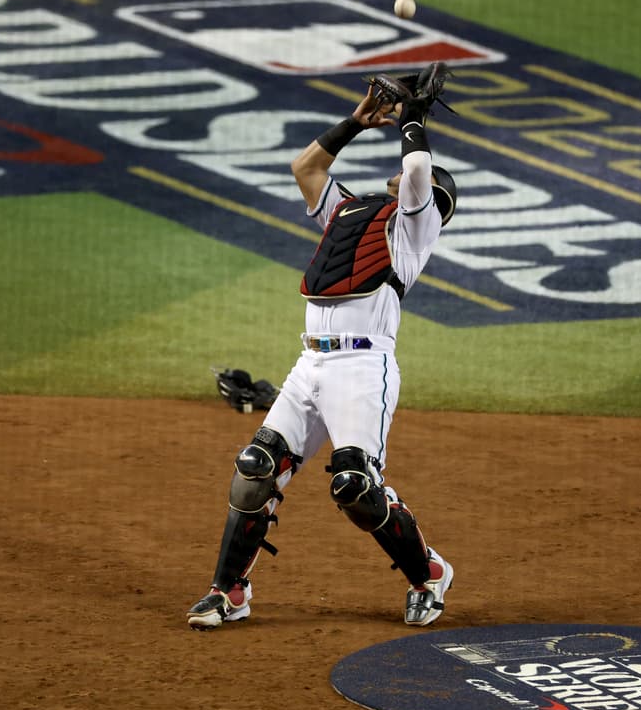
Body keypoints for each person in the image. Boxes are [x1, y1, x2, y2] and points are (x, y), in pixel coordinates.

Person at [187, 62, 459, 631]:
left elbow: (414, 167)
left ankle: (428, 572)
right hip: (309, 361)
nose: (404, 182)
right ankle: (228, 591)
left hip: (363, 367)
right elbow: (305, 166)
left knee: (355, 485)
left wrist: (414, 115)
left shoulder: (414, 229)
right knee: (254, 469)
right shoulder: (351, 211)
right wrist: (357, 121)